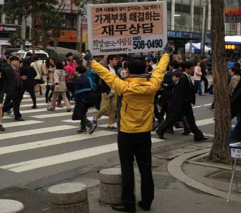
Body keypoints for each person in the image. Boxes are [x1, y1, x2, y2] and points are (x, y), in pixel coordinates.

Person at [88, 46, 171, 213]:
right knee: (146, 167)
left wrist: (91, 61)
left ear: (126, 70)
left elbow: (106, 74)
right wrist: (166, 54)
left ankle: (128, 203)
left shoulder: (123, 86)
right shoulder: (153, 85)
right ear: (146, 68)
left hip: (126, 133)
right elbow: (160, 69)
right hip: (144, 133)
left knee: (127, 168)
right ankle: (147, 201)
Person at [156, 61, 207, 142]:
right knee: (172, 118)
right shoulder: (183, 78)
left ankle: (198, 135)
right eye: (192, 69)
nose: (193, 70)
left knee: (190, 120)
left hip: (185, 103)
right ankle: (160, 130)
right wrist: (179, 103)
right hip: (181, 104)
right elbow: (180, 92)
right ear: (187, 69)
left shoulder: (186, 77)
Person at [93, 55, 119, 129]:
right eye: (114, 59)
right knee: (105, 108)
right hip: (106, 91)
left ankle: (110, 124)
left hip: (114, 91)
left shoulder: (115, 70)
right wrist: (103, 89)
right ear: (110, 60)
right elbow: (99, 79)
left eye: (116, 60)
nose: (116, 61)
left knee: (113, 109)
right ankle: (96, 117)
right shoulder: (105, 69)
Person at [72, 65, 97, 134]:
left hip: (81, 99)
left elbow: (76, 91)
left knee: (79, 113)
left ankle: (90, 125)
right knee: (83, 113)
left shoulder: (77, 80)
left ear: (77, 71)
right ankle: (83, 128)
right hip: (89, 99)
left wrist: (75, 99)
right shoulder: (88, 78)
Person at [2, 56, 24, 121]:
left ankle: (3, 109)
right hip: (11, 88)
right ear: (11, 62)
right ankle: (17, 115)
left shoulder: (18, 69)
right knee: (16, 102)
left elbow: (17, 77)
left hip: (19, 87)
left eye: (17, 61)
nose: (17, 62)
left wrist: (21, 79)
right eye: (15, 61)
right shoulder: (7, 69)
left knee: (17, 101)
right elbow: (5, 80)